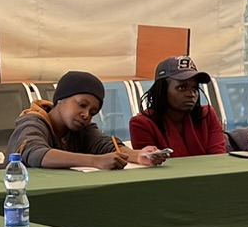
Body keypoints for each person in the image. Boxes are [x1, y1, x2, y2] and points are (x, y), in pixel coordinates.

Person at [12, 72, 168, 170]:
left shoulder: (81, 129)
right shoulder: (32, 122)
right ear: (60, 99)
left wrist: (138, 155)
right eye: (82, 105)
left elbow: (105, 145)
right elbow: (35, 153)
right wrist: (95, 161)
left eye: (93, 112)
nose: (85, 115)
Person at [128, 56, 227, 158]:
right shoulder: (141, 124)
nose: (191, 94)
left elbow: (218, 160)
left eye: (195, 88)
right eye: (182, 87)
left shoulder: (207, 115)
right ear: (162, 90)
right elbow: (150, 166)